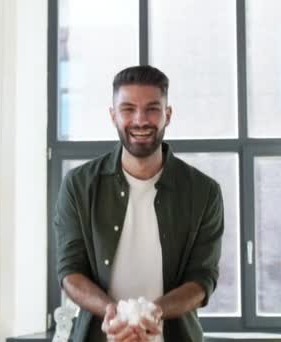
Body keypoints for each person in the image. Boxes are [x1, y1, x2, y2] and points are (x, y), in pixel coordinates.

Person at [54, 65, 224, 342]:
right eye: (128, 109)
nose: (140, 120)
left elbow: (202, 278)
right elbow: (69, 271)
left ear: (168, 115)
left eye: (153, 108)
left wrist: (155, 312)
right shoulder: (78, 185)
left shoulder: (204, 192)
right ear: (113, 116)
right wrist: (113, 313)